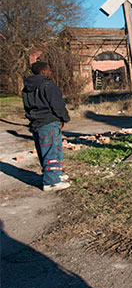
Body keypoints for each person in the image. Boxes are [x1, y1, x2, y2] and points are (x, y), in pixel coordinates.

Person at [22, 62, 71, 192]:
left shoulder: (26, 88)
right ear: (44, 71)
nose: (50, 72)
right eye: (49, 70)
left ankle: (55, 174)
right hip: (48, 121)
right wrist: (64, 118)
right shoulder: (48, 86)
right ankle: (51, 182)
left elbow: (27, 106)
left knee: (48, 150)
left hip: (36, 122)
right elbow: (57, 104)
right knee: (52, 150)